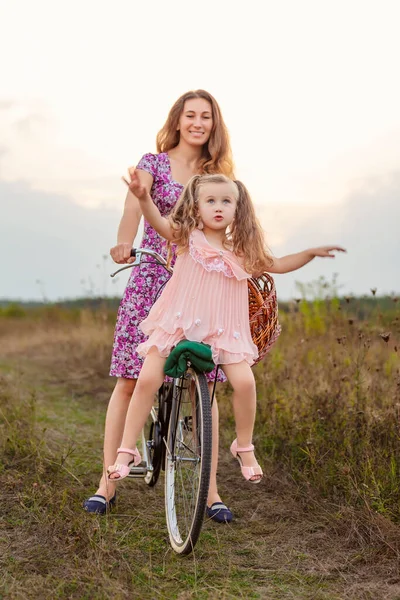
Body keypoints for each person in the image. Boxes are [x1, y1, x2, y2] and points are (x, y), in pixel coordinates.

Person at [106, 172, 346, 492]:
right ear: (195, 206)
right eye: (210, 201)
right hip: (177, 325)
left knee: (245, 383)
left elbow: (280, 263)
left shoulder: (243, 251)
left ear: (237, 208)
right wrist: (143, 198)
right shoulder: (186, 237)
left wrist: (310, 253)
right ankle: (127, 450)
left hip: (224, 334)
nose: (218, 207)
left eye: (226, 201)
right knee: (147, 378)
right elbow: (158, 223)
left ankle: (243, 447)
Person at [84, 90, 236, 523]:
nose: (197, 123)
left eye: (206, 116)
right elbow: (136, 204)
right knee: (131, 381)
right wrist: (122, 242)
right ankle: (107, 483)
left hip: (200, 285)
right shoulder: (152, 164)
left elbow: (231, 220)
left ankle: (210, 492)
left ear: (214, 124)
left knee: (205, 384)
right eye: (190, 115)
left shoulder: (216, 174)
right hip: (152, 277)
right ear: (178, 119)